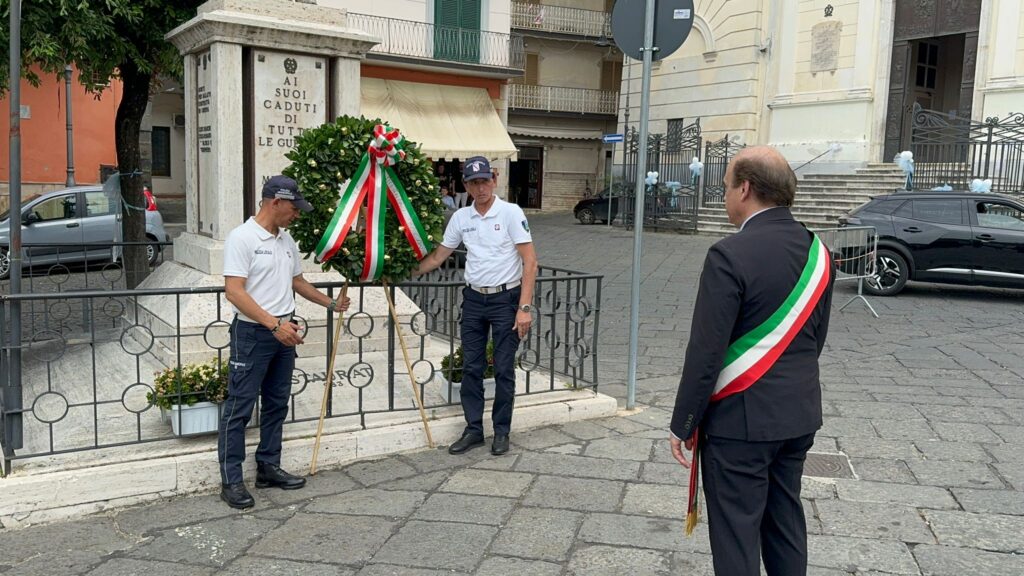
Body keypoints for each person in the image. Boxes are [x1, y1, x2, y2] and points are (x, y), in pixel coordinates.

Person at [668, 146, 835, 576]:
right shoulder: (819, 252)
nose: (724, 195)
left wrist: (684, 421)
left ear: (744, 189)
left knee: (736, 539)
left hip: (739, 425)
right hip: (798, 416)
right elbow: (815, 339)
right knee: (785, 527)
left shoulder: (728, 254)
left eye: (725, 186)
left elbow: (706, 351)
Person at [218, 175, 350, 510]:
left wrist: (329, 303)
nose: (297, 215)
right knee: (239, 408)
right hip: (254, 333)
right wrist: (273, 324)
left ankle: (268, 467)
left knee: (277, 403)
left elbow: (297, 281)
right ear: (274, 202)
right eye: (293, 208)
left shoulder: (285, 240)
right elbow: (234, 291)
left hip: (284, 332)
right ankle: (232, 480)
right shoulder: (242, 238)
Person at [413, 156, 538, 456]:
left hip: (506, 301)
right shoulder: (461, 218)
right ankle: (473, 429)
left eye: (484, 181)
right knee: (471, 367)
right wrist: (398, 270)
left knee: (504, 368)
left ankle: (502, 431)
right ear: (466, 185)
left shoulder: (510, 212)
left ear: (493, 180)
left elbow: (530, 262)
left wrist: (524, 308)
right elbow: (438, 257)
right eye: (473, 182)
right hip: (473, 300)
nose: (480, 188)